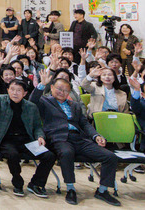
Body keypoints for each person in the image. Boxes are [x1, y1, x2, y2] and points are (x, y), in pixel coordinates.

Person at [31, 73, 120, 206]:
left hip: (79, 138)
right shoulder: (45, 101)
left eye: (66, 90)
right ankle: (70, 189)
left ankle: (102, 190)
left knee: (110, 156)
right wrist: (42, 85)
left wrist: (96, 136)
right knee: (67, 153)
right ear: (52, 88)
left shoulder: (75, 105)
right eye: (59, 89)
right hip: (58, 138)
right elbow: (32, 100)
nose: (62, 92)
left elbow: (84, 124)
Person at [0, 78, 54, 198]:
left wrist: (40, 137)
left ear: (25, 93)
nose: (15, 93)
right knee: (13, 154)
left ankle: (35, 183)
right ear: (8, 90)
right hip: (3, 139)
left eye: (19, 90)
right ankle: (18, 183)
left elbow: (37, 126)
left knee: (49, 156)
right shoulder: (0, 100)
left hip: (26, 141)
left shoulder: (31, 107)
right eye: (12, 89)